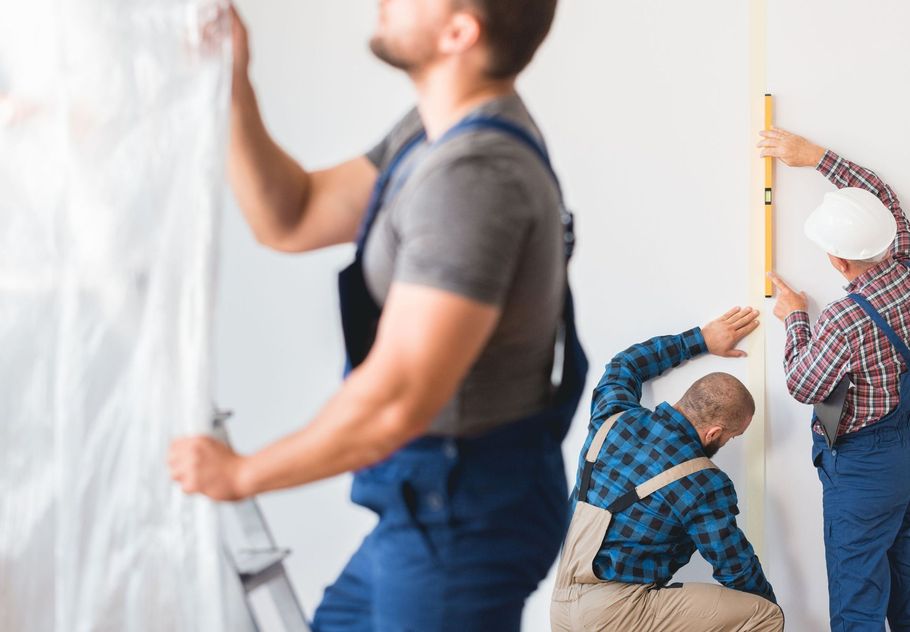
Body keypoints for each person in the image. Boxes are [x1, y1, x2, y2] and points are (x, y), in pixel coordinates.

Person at [168, 1, 588, 630]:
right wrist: (234, 87)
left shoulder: (474, 175)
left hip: (466, 513)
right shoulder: (429, 135)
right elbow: (294, 216)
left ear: (459, 32)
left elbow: (398, 399)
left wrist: (243, 473)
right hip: (431, 498)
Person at [551, 307, 784, 632]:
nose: (729, 442)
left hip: (561, 605)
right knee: (764, 614)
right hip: (616, 614)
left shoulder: (613, 418)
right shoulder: (704, 482)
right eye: (732, 436)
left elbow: (625, 365)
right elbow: (735, 567)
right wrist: (769, 601)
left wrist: (700, 340)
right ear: (713, 433)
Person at [761, 127, 910, 631]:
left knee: (858, 598)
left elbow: (805, 385)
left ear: (838, 261)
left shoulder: (845, 320)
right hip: (907, 455)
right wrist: (818, 158)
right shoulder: (908, 268)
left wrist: (794, 318)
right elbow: (884, 198)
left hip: (867, 469)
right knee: (907, 586)